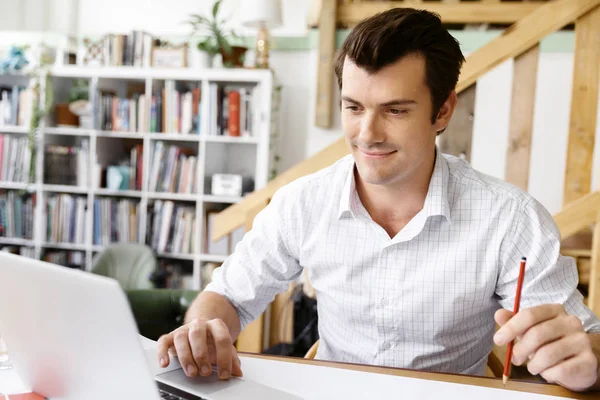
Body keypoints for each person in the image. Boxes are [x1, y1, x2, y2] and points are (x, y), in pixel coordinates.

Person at [157, 8, 600, 392]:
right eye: (353, 107)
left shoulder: (510, 218)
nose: (366, 134)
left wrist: (584, 360)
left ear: (442, 110)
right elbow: (228, 298)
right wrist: (204, 328)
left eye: (395, 110)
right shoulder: (302, 203)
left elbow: (585, 343)